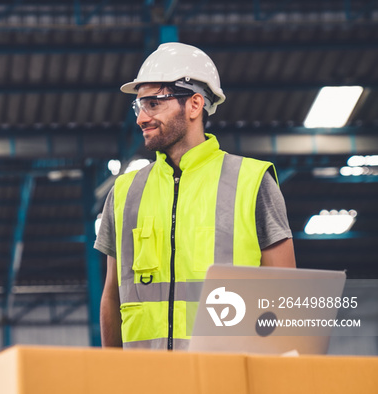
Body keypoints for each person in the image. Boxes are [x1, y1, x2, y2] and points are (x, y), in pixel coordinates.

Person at [95, 42, 296, 351]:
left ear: (194, 105)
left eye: (153, 103)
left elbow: (285, 296)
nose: (141, 118)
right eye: (139, 106)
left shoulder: (252, 181)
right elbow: (112, 297)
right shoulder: (123, 193)